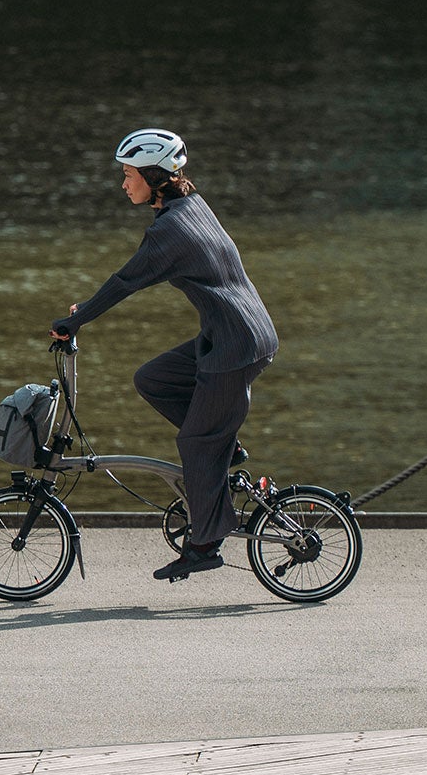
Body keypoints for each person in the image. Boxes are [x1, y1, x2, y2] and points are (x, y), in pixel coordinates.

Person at [50, 128, 279, 581]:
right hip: (232, 332)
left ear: (155, 177)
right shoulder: (188, 205)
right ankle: (223, 447)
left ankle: (205, 543)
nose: (123, 183)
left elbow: (124, 282)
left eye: (129, 174)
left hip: (235, 345)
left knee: (194, 442)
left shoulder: (171, 229)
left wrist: (72, 322)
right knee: (154, 378)